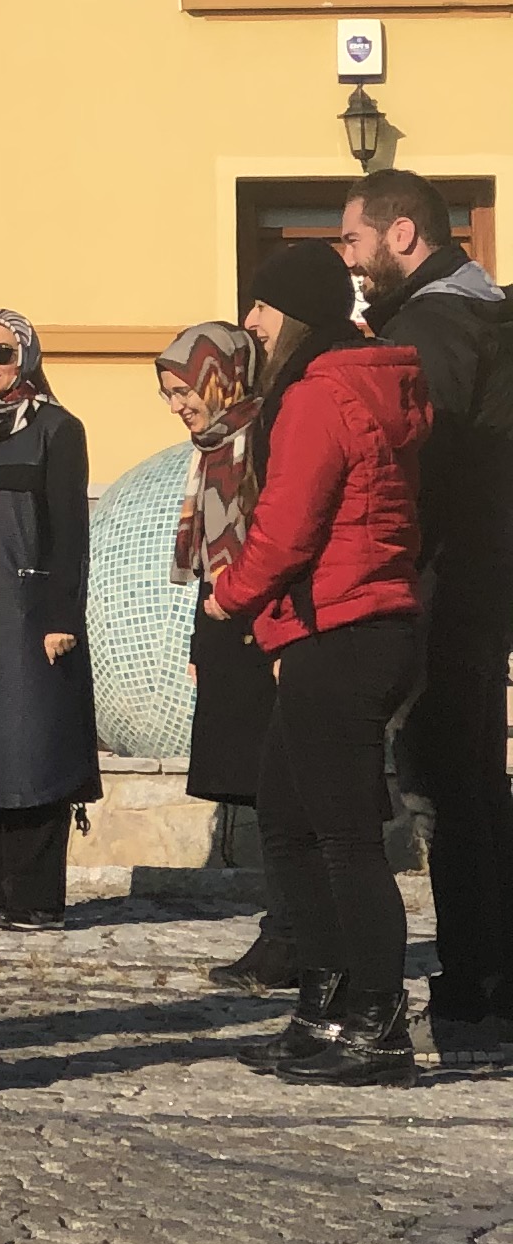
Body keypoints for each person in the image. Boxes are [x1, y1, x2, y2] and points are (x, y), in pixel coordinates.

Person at [213, 241, 432, 1084]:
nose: (251, 324)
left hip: (344, 629)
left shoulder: (317, 395)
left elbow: (288, 526)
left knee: (342, 836)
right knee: (288, 818)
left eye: (262, 308)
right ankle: (325, 1004)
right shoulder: (356, 383)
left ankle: (379, 1022)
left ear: (295, 312)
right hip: (340, 627)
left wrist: (230, 596)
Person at [338, 172, 511, 1061]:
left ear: (402, 234)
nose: (350, 261)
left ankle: (478, 998)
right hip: (482, 585)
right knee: (480, 790)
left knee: (452, 794)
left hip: (445, 589)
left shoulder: (435, 327)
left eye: (355, 241)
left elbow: (414, 463)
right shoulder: (483, 314)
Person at [0, 310, 99, 933]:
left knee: (31, 750)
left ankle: (33, 898)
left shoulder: (56, 429)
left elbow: (68, 531)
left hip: (28, 617)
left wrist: (62, 613)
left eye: (0, 354)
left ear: (25, 357)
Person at [159, 321, 291, 989]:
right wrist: (194, 640)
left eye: (185, 390)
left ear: (220, 378)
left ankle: (290, 936)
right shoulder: (212, 447)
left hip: (260, 631)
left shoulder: (261, 437)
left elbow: (274, 544)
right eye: (169, 395)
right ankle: (284, 929)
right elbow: (211, 559)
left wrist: (270, 636)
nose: (180, 405)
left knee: (280, 790)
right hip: (223, 629)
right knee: (260, 788)